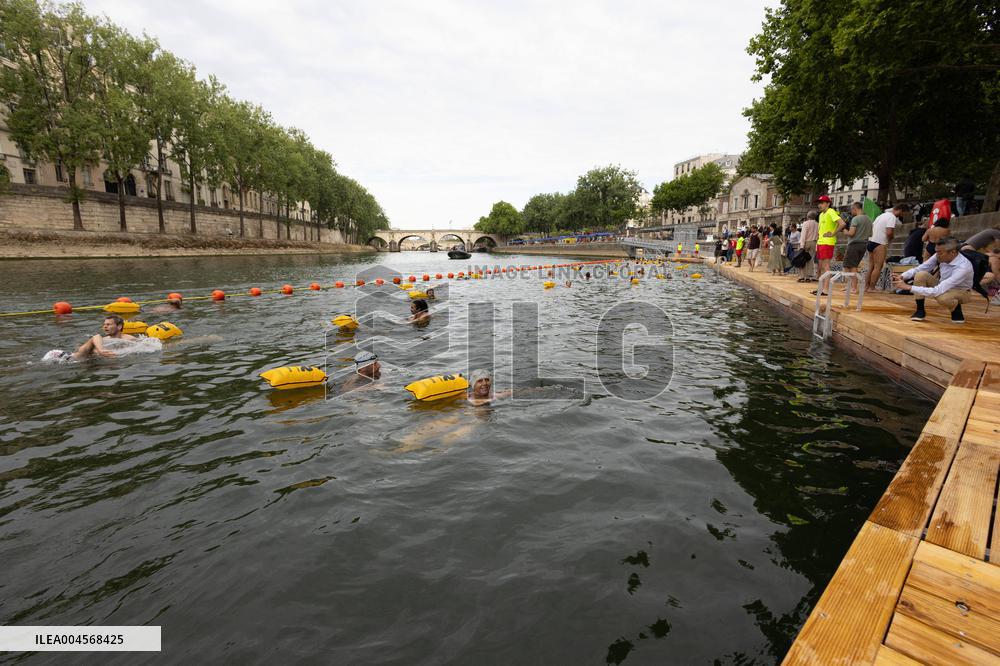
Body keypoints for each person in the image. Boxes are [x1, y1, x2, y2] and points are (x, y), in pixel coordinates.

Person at [892, 238, 974, 324]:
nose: (937, 255)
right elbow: (921, 268)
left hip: (962, 292)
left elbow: (937, 291)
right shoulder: (939, 255)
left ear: (953, 252)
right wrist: (902, 276)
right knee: (921, 274)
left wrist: (908, 287)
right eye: (936, 252)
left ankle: (956, 308)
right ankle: (920, 310)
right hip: (943, 285)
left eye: (940, 253)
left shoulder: (963, 267)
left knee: (943, 298)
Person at [867, 203, 908, 292]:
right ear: (900, 210)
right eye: (903, 213)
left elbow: (872, 227)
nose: (902, 215)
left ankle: (866, 287)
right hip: (880, 242)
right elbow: (889, 232)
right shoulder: (892, 217)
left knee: (871, 266)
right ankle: (871, 288)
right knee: (878, 266)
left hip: (871, 241)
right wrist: (891, 238)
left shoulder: (881, 215)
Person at [813, 195, 845, 295]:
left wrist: (833, 233)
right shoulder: (822, 214)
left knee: (826, 266)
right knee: (821, 266)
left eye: (822, 203)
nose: (820, 205)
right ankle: (822, 288)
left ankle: (826, 289)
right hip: (821, 242)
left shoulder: (831, 212)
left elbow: (842, 223)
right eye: (819, 203)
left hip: (828, 242)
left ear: (828, 203)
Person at [72, 315, 137, 360]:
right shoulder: (101, 339)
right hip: (79, 357)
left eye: (108, 324)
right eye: (104, 324)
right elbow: (96, 336)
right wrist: (101, 350)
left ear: (119, 326)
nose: (105, 326)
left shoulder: (129, 339)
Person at [842, 201, 872, 293]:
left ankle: (854, 287)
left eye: (851, 210)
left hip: (854, 244)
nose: (851, 212)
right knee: (850, 265)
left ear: (855, 209)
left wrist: (845, 231)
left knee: (851, 266)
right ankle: (850, 286)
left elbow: (851, 233)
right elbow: (871, 234)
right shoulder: (869, 219)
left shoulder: (856, 219)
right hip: (864, 244)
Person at [797, 212, 819, 282]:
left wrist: (802, 245)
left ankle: (802, 276)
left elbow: (803, 234)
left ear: (808, 216)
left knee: (802, 259)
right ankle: (808, 276)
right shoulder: (817, 224)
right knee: (810, 259)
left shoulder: (806, 223)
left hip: (806, 242)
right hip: (813, 242)